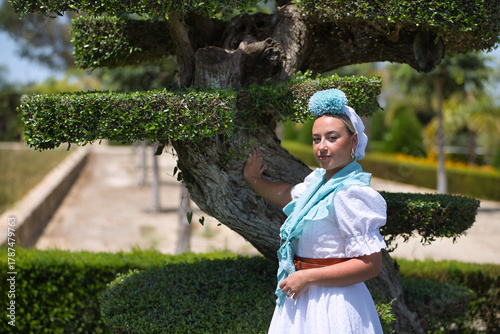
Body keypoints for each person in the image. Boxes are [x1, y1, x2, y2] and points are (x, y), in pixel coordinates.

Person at [243, 88, 387, 333]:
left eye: (332, 137)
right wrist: (254, 180)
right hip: (303, 297)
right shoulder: (319, 183)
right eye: (316, 138)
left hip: (335, 303)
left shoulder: (350, 193)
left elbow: (370, 265)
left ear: (353, 141)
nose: (322, 146)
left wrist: (308, 277)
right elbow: (286, 194)